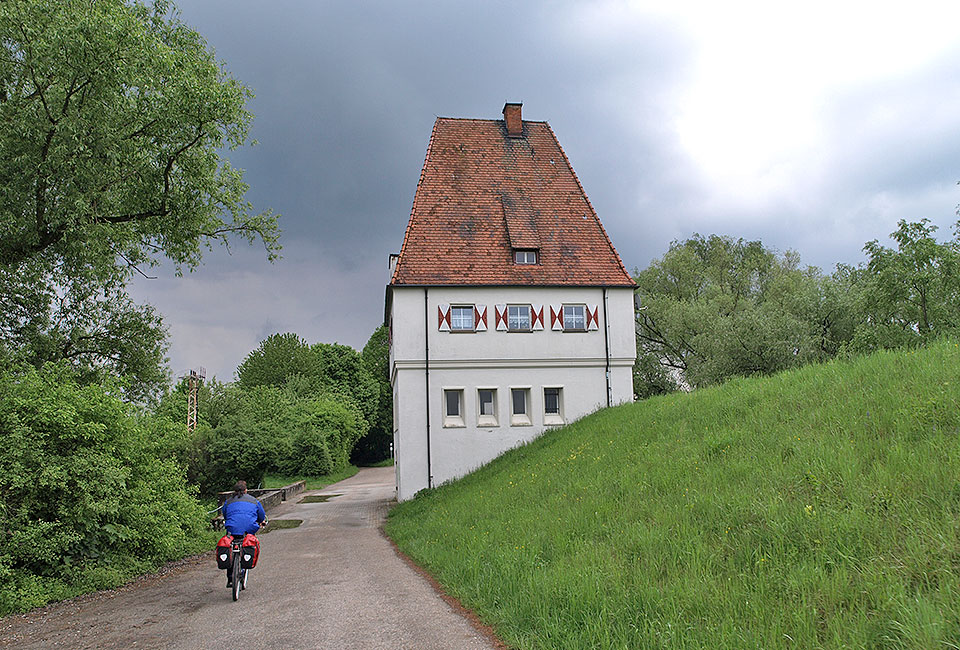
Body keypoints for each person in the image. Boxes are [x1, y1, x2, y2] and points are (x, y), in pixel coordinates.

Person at [221, 480, 267, 587]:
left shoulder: (228, 502)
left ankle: (230, 578)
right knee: (249, 542)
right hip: (249, 528)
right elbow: (261, 515)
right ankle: (244, 564)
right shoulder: (254, 501)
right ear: (246, 490)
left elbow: (225, 514)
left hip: (232, 529)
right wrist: (261, 522)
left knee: (230, 547)